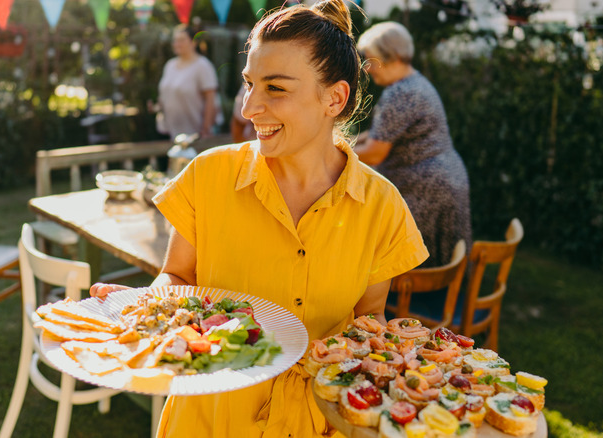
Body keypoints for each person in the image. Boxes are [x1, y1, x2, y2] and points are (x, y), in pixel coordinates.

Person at [91, 2, 428, 437]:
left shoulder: (383, 206)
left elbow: (369, 321)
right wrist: (145, 307)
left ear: (335, 98)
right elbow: (177, 276)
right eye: (249, 84)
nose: (250, 107)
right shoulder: (207, 175)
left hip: (317, 424)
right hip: (209, 418)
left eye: (275, 89)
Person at [353, 21, 472, 269]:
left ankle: (409, 304)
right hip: (443, 179)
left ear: (392, 56)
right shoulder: (414, 83)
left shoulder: (401, 93)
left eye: (372, 59)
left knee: (414, 262)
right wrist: (349, 141)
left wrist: (332, 155)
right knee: (444, 259)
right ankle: (443, 303)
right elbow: (380, 134)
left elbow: (375, 153)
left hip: (427, 189)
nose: (368, 67)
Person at [154, 24, 219, 138]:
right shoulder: (170, 65)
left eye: (181, 40)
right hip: (171, 132)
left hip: (195, 135)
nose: (177, 44)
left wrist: (205, 129)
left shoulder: (203, 66)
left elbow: (211, 99)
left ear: (193, 42)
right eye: (175, 40)